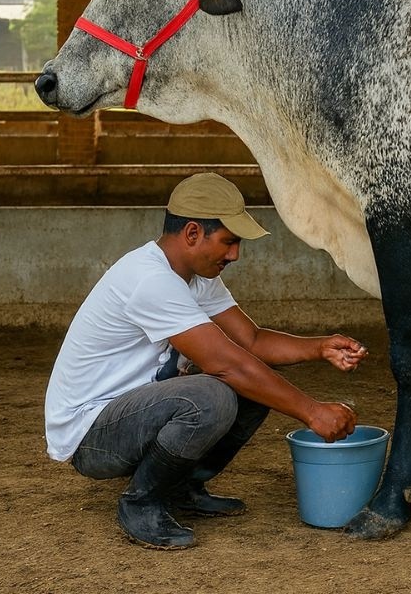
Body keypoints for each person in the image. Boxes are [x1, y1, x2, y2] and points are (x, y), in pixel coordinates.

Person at [44, 172, 365, 550]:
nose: (235, 255)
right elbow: (228, 364)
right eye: (229, 242)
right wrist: (313, 412)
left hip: (132, 412)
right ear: (193, 233)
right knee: (211, 395)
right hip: (92, 436)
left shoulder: (196, 276)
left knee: (256, 381)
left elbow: (252, 341)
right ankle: (141, 502)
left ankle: (182, 488)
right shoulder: (149, 279)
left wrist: (320, 346)